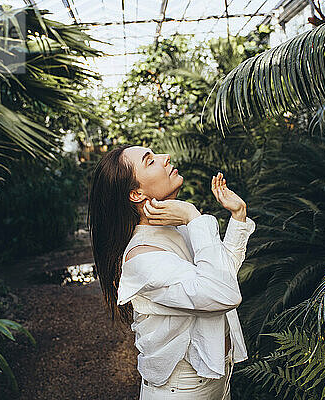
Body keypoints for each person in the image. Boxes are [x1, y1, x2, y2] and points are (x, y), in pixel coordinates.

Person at [87, 145, 255, 399]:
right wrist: (192, 215)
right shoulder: (141, 259)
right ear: (135, 193)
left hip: (217, 381)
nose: (165, 159)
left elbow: (223, 277)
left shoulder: (174, 230)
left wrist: (238, 217)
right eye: (150, 161)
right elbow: (223, 295)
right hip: (182, 390)